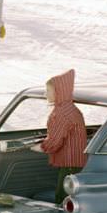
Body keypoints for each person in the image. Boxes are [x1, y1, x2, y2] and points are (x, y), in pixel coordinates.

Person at [31, 70, 87, 204]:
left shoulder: (61, 113)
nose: (45, 94)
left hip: (70, 163)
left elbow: (55, 141)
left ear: (59, 91)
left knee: (63, 198)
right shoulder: (70, 108)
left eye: (48, 90)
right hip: (75, 161)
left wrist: (41, 147)